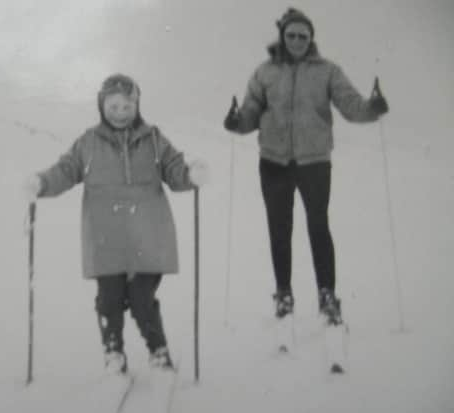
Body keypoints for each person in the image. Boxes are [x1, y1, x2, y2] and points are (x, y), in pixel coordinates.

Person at [25, 73, 208, 374]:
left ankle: (158, 351)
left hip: (147, 235)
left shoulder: (153, 139)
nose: (120, 114)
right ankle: (113, 352)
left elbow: (175, 169)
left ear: (137, 106)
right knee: (109, 299)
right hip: (105, 237)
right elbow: (66, 170)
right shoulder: (89, 142)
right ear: (102, 106)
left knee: (141, 298)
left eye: (127, 107)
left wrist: (191, 175)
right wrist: (41, 183)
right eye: (113, 107)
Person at [223, 8, 389, 325]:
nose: (297, 40)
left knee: (318, 227)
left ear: (311, 38)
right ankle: (283, 293)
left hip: (314, 162)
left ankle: (327, 294)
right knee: (279, 229)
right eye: (291, 35)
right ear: (282, 37)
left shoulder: (327, 71)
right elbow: (251, 112)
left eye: (303, 35)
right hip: (273, 161)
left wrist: (372, 108)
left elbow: (351, 105)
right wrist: (236, 121)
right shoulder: (265, 72)